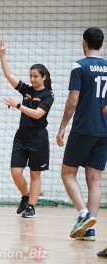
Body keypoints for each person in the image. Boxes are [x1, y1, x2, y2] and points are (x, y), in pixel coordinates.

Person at [56, 27, 107, 248]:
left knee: (67, 174)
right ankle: (90, 229)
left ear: (84, 42)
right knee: (94, 179)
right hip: (104, 130)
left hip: (83, 128)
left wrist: (63, 126)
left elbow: (73, 98)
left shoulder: (80, 66)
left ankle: (84, 215)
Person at [0, 39, 55, 218]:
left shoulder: (48, 95)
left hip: (38, 138)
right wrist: (2, 56)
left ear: (44, 77)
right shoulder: (27, 90)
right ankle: (25, 196)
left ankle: (31, 207)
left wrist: (18, 106)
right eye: (30, 76)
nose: (32, 79)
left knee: (35, 174)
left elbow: (38, 114)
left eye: (35, 76)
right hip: (21, 136)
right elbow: (10, 76)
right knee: (15, 172)